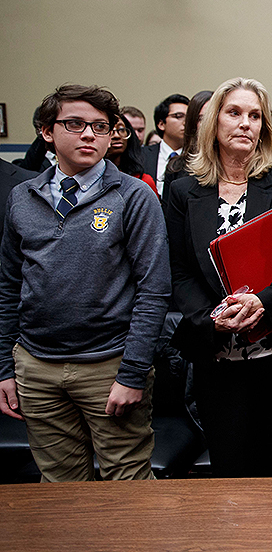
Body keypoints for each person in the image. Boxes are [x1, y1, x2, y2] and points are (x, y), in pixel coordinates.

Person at [0, 84, 170, 481]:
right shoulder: (23, 196)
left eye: (100, 126)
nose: (89, 135)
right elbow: (8, 287)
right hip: (36, 365)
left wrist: (131, 373)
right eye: (74, 124)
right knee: (60, 489)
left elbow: (154, 289)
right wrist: (5, 367)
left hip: (108, 365)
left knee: (126, 487)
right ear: (46, 131)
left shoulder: (133, 196)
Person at [166, 77, 272, 477]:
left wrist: (264, 302)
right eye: (234, 113)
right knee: (235, 473)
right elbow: (177, 269)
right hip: (219, 360)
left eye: (255, 116)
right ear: (213, 123)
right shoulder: (183, 190)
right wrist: (211, 318)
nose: (245, 123)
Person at [162, 90, 213, 206]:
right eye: (201, 119)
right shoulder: (176, 167)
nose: (209, 124)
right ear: (192, 124)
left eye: (212, 117)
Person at [141, 93, 188, 195]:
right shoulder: (141, 155)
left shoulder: (198, 158)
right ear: (161, 124)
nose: (186, 122)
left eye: (189, 117)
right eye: (178, 116)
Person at [104, 115, 157, 196]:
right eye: (110, 130)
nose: (117, 136)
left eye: (121, 129)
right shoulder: (89, 178)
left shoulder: (143, 180)